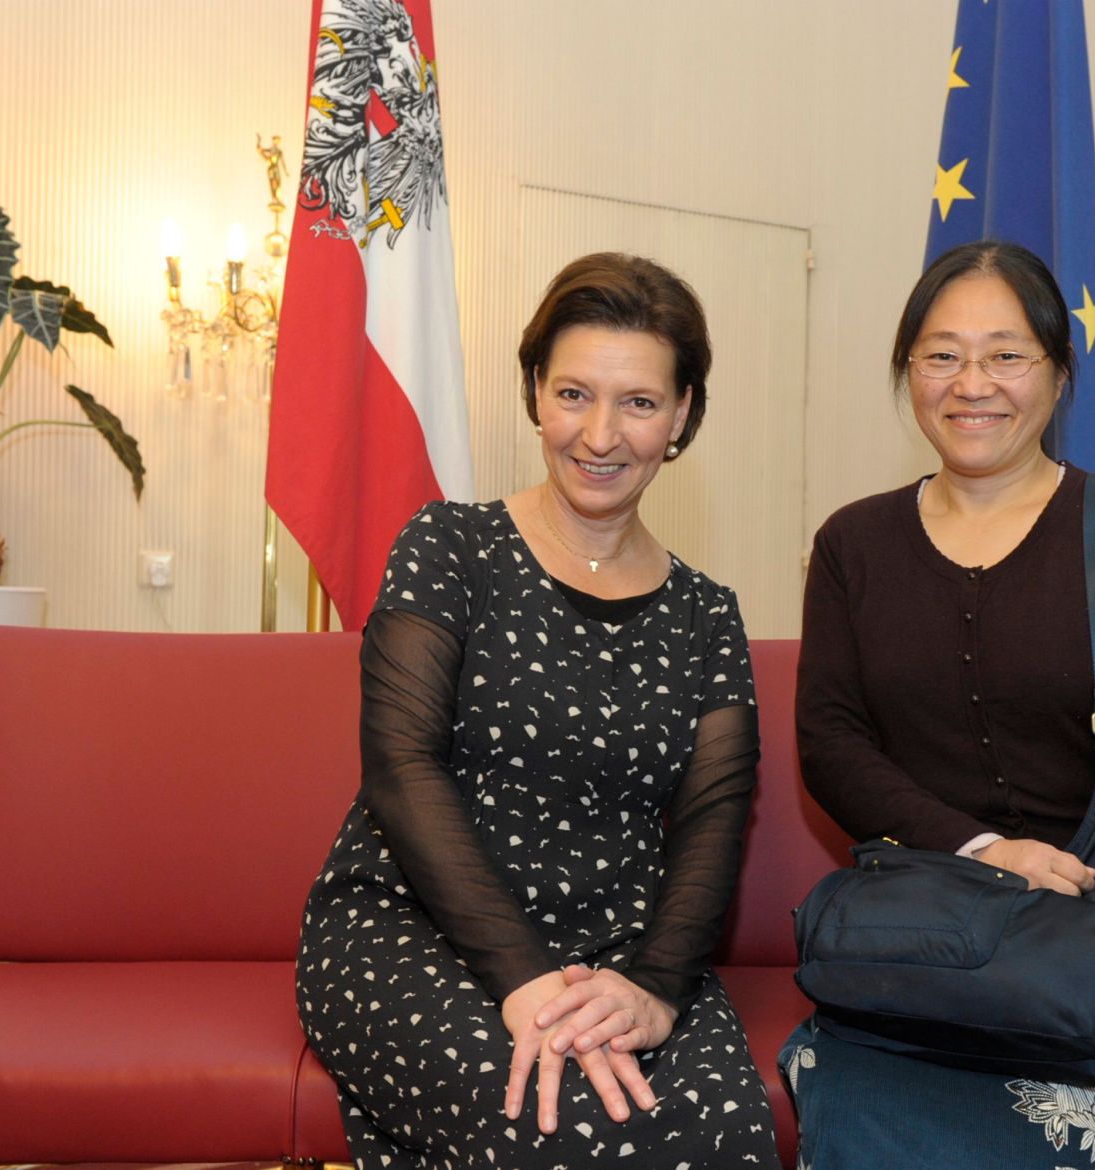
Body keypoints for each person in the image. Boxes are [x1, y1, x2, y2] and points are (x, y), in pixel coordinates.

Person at [298, 252, 779, 1169]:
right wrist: (521, 980)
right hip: (414, 928)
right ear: (534, 393)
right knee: (559, 1131)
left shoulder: (708, 614)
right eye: (573, 394)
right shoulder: (449, 546)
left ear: (682, 415)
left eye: (639, 402)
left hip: (621, 953)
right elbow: (402, 766)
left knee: (725, 1134)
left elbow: (715, 818)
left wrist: (654, 990)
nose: (600, 434)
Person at [781, 240, 1095, 1168]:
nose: (972, 384)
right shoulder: (852, 544)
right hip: (914, 956)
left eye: (1006, 354)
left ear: (1059, 372)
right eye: (941, 354)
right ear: (908, 370)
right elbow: (831, 745)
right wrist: (988, 853)